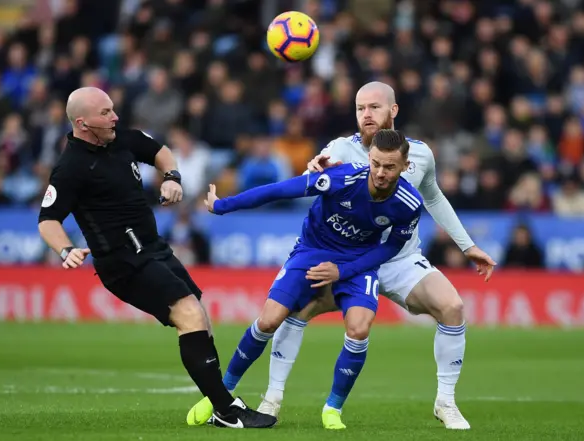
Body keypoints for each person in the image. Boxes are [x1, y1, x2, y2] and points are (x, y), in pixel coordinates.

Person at [256, 82, 497, 430]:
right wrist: (313, 168)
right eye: (359, 109)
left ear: (393, 111)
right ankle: (272, 399)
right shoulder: (340, 148)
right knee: (295, 311)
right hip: (347, 260)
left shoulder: (421, 154)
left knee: (453, 307)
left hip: (399, 259)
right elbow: (311, 179)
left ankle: (446, 402)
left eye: (374, 107)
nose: (366, 115)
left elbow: (434, 198)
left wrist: (467, 245)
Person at [37, 86, 276, 429]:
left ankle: (222, 405)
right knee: (188, 313)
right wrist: (65, 249)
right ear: (82, 123)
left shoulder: (123, 139)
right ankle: (227, 410)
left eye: (113, 109)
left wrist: (172, 178)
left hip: (153, 247)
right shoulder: (71, 167)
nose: (114, 117)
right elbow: (47, 220)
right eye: (105, 113)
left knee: (199, 318)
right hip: (122, 261)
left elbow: (163, 152)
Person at [187, 129, 422, 429]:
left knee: (360, 328)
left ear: (405, 166)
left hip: (357, 263)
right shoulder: (342, 179)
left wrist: (343, 272)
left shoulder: (409, 202)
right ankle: (221, 393)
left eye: (389, 166)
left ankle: (332, 409)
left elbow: (391, 246)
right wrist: (222, 206)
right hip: (312, 251)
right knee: (269, 321)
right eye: (375, 163)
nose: (379, 172)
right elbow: (280, 190)